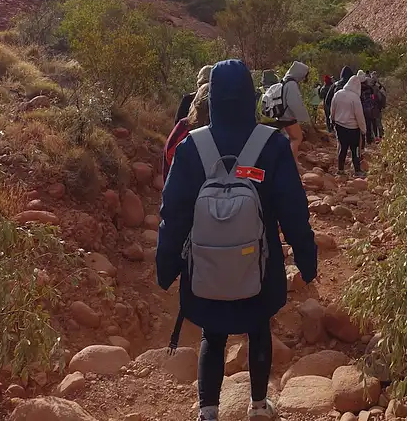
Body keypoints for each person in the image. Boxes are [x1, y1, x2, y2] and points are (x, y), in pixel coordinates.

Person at [157, 60, 317, 421]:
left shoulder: (191, 146)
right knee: (258, 329)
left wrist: (166, 266)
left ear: (211, 97)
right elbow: (294, 208)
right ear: (251, 97)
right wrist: (306, 259)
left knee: (211, 338)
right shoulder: (272, 144)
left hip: (206, 267)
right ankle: (258, 406)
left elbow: (174, 213)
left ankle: (208, 413)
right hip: (260, 265)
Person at [330, 72, 366, 176]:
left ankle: (340, 169)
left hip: (340, 126)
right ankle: (357, 170)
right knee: (355, 150)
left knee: (342, 148)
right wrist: (363, 130)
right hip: (353, 128)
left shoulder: (338, 94)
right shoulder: (355, 98)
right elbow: (359, 116)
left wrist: (332, 119)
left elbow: (333, 109)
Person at [278, 61, 311, 161]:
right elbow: (295, 103)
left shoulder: (284, 80)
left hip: (281, 115)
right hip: (288, 117)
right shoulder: (292, 84)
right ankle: (291, 163)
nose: (304, 78)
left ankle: (289, 162)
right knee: (297, 138)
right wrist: (305, 118)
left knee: (290, 139)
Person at [360, 73, 377, 146]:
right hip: (369, 109)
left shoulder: (358, 89)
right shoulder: (370, 88)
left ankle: (363, 143)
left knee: (361, 126)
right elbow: (373, 98)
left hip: (361, 109)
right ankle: (369, 141)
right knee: (368, 126)